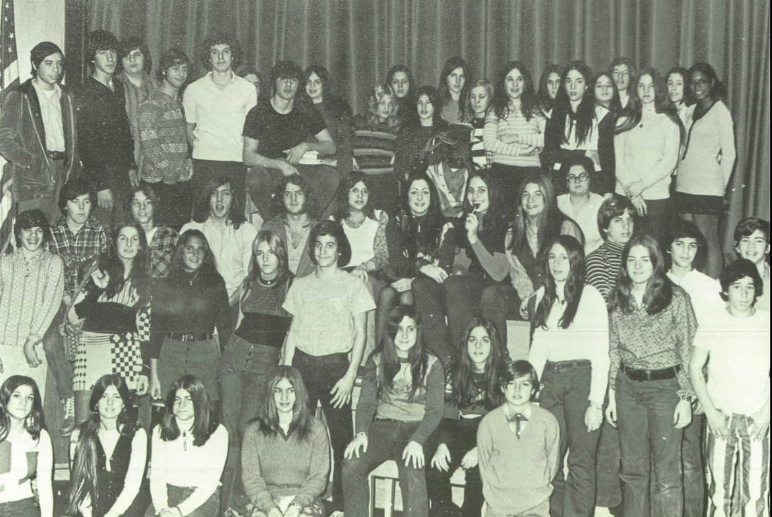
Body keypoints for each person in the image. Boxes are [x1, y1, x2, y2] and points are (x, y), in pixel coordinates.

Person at [281, 220, 375, 514]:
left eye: (330, 245)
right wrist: (286, 375)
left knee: (341, 440)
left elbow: (361, 334)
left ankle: (342, 507)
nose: (323, 251)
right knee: (299, 438)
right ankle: (300, 503)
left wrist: (350, 375)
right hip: (303, 367)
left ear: (339, 250)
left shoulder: (352, 284)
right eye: (318, 245)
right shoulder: (301, 284)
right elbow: (293, 333)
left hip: (336, 369)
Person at [605, 234, 697, 517]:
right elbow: (613, 348)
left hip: (666, 389)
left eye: (644, 260)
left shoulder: (676, 297)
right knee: (633, 470)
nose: (637, 266)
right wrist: (611, 394)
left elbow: (688, 347)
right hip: (628, 388)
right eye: (631, 260)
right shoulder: (617, 298)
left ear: (656, 262)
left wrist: (686, 397)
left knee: (666, 473)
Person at [528, 236, 609, 517]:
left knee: (581, 462)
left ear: (575, 261)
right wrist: (530, 392)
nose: (557, 263)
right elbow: (537, 349)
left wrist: (596, 403)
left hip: (581, 380)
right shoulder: (543, 295)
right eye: (552, 257)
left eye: (564, 257)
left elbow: (601, 352)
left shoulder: (591, 296)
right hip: (551, 381)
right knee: (549, 459)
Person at [342, 305, 445, 517]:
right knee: (351, 464)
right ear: (390, 331)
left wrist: (418, 440)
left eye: (410, 329)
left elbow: (435, 411)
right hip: (383, 428)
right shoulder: (377, 359)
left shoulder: (432, 363)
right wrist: (361, 432)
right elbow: (366, 404)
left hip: (417, 429)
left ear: (418, 331)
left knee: (412, 468)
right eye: (399, 329)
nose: (404, 335)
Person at [219, 231, 293, 515]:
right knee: (228, 431)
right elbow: (231, 313)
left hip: (265, 361)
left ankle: (240, 500)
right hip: (235, 355)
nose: (265, 259)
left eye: (270, 253)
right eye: (260, 253)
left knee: (247, 429)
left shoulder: (291, 284)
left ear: (280, 255)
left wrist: (284, 367)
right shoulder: (249, 282)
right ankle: (223, 503)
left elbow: (294, 330)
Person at [690, 259, 770, 517]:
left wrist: (766, 412)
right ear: (726, 289)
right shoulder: (712, 321)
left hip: (757, 419)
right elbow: (695, 369)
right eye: (737, 287)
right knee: (719, 492)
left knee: (756, 493)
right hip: (722, 419)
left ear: (757, 289)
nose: (744, 294)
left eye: (749, 287)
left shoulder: (766, 322)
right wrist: (711, 412)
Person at [413, 171, 509, 368]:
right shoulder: (464, 221)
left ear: (492, 193)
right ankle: (445, 356)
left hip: (491, 285)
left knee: (455, 285)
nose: (475, 196)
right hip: (464, 285)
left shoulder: (504, 225)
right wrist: (455, 268)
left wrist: (474, 238)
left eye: (482, 190)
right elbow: (460, 262)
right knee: (421, 285)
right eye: (471, 191)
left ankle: (461, 358)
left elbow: (498, 273)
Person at [484, 172, 583, 347]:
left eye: (538, 194)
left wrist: (536, 296)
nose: (531, 200)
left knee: (537, 303)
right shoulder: (513, 233)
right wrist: (527, 296)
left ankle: (537, 359)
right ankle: (499, 355)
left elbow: (571, 273)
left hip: (560, 294)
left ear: (548, 197)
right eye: (526, 195)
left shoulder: (566, 228)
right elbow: (517, 273)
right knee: (492, 295)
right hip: (527, 295)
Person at [665, 220, 722, 517]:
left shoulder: (709, 287)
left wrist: (703, 390)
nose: (686, 251)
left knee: (690, 458)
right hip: (662, 380)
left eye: (692, 245)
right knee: (663, 457)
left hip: (694, 380)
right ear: (668, 248)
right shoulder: (657, 282)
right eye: (679, 244)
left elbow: (715, 343)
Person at [67, 223, 151, 423]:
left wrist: (144, 369)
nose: (129, 244)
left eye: (134, 239)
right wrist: (96, 290)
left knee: (124, 425)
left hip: (127, 352)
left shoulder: (146, 282)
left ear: (141, 245)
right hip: (91, 350)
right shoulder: (98, 272)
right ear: (114, 243)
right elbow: (72, 317)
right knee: (83, 423)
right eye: (123, 238)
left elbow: (146, 330)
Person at [47, 178, 111, 434]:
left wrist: (83, 306)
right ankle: (69, 400)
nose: (82, 208)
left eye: (86, 202)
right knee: (51, 341)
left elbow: (105, 275)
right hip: (58, 301)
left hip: (90, 302)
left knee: (96, 340)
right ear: (65, 205)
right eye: (75, 202)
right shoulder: (52, 232)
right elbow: (48, 275)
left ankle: (96, 407)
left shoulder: (100, 231)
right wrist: (66, 303)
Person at [426, 317, 504, 517]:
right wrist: (442, 444)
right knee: (435, 468)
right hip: (459, 430)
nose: (478, 346)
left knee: (478, 474)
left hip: (489, 435)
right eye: (472, 340)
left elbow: (504, 422)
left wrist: (481, 449)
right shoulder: (455, 372)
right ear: (465, 343)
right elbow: (449, 414)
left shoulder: (503, 375)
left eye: (485, 340)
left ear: (493, 344)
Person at [243, 60, 338, 222]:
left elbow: (331, 146)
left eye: (293, 80)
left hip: (299, 169)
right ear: (274, 82)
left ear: (299, 84)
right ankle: (274, 223)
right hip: (271, 169)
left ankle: (308, 222)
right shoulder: (258, 112)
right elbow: (248, 156)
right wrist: (280, 165)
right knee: (255, 177)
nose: (288, 85)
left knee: (330, 177)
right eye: (283, 79)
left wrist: (306, 146)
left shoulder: (305, 110)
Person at [0, 41, 79, 223]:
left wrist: (72, 167)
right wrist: (32, 162)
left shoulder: (67, 96)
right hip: (33, 177)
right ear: (35, 65)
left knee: (57, 227)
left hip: (63, 172)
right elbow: (3, 139)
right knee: (33, 228)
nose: (56, 70)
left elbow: (74, 137)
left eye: (59, 64)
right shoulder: (20, 95)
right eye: (48, 63)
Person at [149, 229, 231, 403]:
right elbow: (156, 331)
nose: (195, 254)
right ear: (181, 252)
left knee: (203, 411)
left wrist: (226, 371)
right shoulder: (165, 284)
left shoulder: (215, 283)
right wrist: (154, 376)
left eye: (200, 249)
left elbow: (225, 328)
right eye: (190, 249)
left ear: (205, 253)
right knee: (171, 410)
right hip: (171, 355)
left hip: (205, 356)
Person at [241, 367, 330, 517]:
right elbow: (251, 479)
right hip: (266, 501)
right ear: (270, 394)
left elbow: (318, 478)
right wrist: (270, 509)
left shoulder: (316, 429)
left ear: (299, 393)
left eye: (290, 391)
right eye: (278, 391)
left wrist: (297, 505)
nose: (284, 397)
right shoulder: (253, 431)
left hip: (305, 502)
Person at [675, 63, 736, 278]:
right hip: (684, 185)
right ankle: (692, 285)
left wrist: (720, 189)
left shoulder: (720, 111)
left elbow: (729, 155)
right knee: (688, 240)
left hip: (707, 188)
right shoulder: (690, 110)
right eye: (692, 83)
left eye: (702, 82)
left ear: (711, 83)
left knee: (707, 239)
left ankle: (712, 289)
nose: (697, 87)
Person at [477, 360, 560, 517]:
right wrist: (495, 498)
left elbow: (552, 462)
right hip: (499, 507)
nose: (517, 390)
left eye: (525, 384)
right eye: (511, 384)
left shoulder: (547, 421)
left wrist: (538, 488)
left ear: (534, 389)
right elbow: (484, 464)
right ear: (503, 387)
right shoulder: (489, 422)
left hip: (536, 506)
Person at [380, 173, 454, 347]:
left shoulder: (446, 226)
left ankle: (412, 354)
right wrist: (422, 267)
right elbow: (396, 262)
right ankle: (380, 354)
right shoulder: (396, 223)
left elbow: (443, 270)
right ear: (407, 196)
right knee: (386, 294)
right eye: (414, 192)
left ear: (432, 196)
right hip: (402, 279)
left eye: (425, 192)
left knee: (407, 295)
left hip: (432, 287)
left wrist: (413, 279)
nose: (419, 197)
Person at [183, 33, 256, 207]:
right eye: (215, 52)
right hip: (204, 163)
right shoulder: (193, 89)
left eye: (226, 51)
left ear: (233, 56)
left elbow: (252, 131)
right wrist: (204, 149)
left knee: (235, 215)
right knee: (202, 214)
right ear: (209, 58)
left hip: (236, 161)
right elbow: (189, 129)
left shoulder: (248, 89)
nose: (221, 57)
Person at [614, 67, 682, 246]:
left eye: (650, 86)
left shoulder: (669, 122)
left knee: (652, 248)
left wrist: (641, 185)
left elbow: (668, 161)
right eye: (641, 86)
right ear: (635, 89)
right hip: (625, 196)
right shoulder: (624, 120)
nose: (645, 90)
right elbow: (618, 160)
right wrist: (632, 192)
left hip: (656, 198)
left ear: (658, 89)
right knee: (625, 249)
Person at [0, 210, 64, 400]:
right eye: (28, 230)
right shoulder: (4, 263)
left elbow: (51, 303)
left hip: (34, 347)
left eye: (38, 230)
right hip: (4, 345)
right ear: (19, 233)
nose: (33, 236)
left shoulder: (53, 263)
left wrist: (31, 341)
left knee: (31, 405)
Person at [76, 30, 136, 226]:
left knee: (123, 226)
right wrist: (101, 185)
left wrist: (131, 165)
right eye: (103, 53)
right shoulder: (86, 91)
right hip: (101, 174)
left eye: (113, 52)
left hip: (121, 171)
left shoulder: (117, 86)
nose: (110, 58)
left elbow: (124, 130)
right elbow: (86, 143)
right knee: (104, 227)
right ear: (92, 58)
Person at [146, 375, 228, 517]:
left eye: (188, 399)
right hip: (168, 492)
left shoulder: (218, 432)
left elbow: (210, 482)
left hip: (202, 495)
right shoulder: (159, 430)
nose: (181, 405)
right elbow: (157, 476)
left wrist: (179, 511)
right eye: (177, 399)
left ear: (199, 402)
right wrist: (161, 508)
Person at [67, 374, 147, 517]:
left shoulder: (137, 434)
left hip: (127, 505)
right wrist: (87, 513)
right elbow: (79, 483)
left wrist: (112, 514)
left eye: (116, 397)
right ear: (96, 403)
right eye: (104, 397)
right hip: (90, 507)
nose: (110, 402)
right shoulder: (79, 434)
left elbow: (132, 487)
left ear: (124, 403)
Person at [181, 176, 257, 314]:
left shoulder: (247, 231)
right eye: (214, 193)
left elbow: (250, 277)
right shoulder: (190, 229)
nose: (220, 199)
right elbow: (181, 274)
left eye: (225, 194)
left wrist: (228, 304)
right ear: (207, 197)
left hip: (237, 302)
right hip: (199, 304)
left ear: (233, 198)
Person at [137, 48, 193, 228]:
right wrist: (170, 172)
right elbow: (150, 146)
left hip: (180, 182)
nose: (181, 74)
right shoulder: (150, 103)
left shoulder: (182, 103)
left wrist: (188, 160)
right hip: (157, 183)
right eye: (175, 68)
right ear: (163, 71)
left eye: (184, 69)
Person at [543, 61, 615, 195]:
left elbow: (607, 159)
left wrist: (608, 191)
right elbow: (550, 154)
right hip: (561, 181)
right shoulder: (554, 114)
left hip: (593, 181)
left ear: (587, 85)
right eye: (568, 81)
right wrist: (586, 153)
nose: (573, 86)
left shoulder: (602, 115)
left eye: (579, 81)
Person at [484, 62, 547, 200]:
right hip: (501, 171)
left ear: (525, 83)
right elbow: (488, 142)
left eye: (519, 79)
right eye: (510, 79)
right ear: (503, 83)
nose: (515, 84)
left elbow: (549, 138)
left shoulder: (537, 108)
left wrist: (517, 137)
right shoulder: (495, 109)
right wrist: (521, 152)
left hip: (531, 172)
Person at [0, 376, 53, 517]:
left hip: (25, 507)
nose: (23, 402)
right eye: (17, 396)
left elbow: (45, 486)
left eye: (29, 398)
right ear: (5, 399)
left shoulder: (41, 437)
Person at [260, 176, 319, 279]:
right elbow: (255, 271)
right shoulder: (269, 229)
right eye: (287, 194)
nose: (293, 198)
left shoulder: (320, 230)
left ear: (307, 196)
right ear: (281, 198)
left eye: (298, 193)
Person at [585, 194, 639, 301]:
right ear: (605, 227)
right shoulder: (597, 260)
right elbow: (604, 304)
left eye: (629, 220)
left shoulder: (638, 254)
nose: (626, 226)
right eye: (618, 220)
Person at [118, 37, 158, 178]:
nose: (132, 59)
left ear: (145, 57)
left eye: (137, 55)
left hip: (154, 166)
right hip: (124, 165)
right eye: (126, 56)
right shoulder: (114, 86)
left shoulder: (158, 87)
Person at [303, 65, 353, 178]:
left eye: (317, 82)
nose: (312, 86)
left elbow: (345, 144)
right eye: (308, 82)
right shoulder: (298, 109)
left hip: (332, 167)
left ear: (324, 84)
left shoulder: (337, 109)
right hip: (305, 165)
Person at [394, 85, 448, 183]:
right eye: (420, 103)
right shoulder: (406, 131)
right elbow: (399, 167)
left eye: (428, 102)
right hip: (412, 184)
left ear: (435, 105)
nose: (423, 107)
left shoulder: (444, 130)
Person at [127, 186, 178, 281]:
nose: (142, 207)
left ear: (155, 206)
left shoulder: (170, 235)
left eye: (148, 202)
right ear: (129, 207)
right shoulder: (124, 236)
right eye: (136, 203)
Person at [556, 156, 605, 255]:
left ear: (590, 178)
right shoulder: (557, 203)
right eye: (571, 177)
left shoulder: (602, 203)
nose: (577, 181)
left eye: (582, 176)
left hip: (594, 257)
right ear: (566, 182)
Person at [423, 130, 475, 219]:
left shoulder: (472, 172)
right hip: (439, 220)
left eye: (462, 148)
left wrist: (468, 163)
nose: (459, 152)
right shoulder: (432, 170)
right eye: (454, 148)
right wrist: (425, 154)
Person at [733, 216, 770, 311]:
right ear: (737, 247)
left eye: (758, 241)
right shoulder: (723, 282)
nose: (751, 246)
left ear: (768, 248)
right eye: (745, 240)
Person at [438, 57, 472, 124]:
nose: (458, 81)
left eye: (461, 76)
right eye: (453, 75)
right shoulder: (438, 103)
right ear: (445, 78)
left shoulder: (471, 102)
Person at [468, 79, 493, 170]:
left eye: (481, 97)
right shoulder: (466, 127)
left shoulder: (494, 126)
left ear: (489, 98)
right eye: (473, 97)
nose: (476, 101)